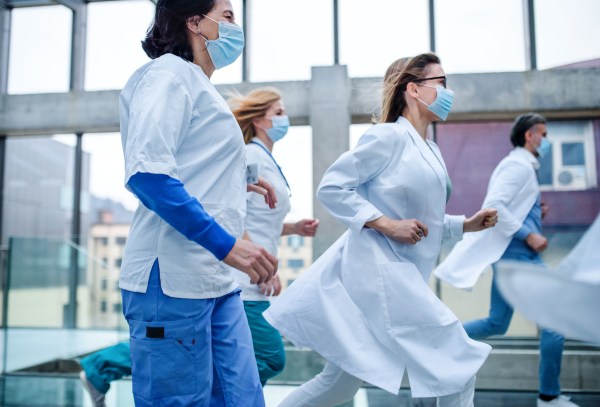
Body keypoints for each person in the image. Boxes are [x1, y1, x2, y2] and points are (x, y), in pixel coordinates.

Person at [264, 53, 498, 407]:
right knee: (458, 367)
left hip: (403, 275)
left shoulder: (431, 149)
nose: (449, 92)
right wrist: (385, 224)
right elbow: (332, 187)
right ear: (414, 90)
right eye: (442, 83)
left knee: (339, 384)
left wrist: (465, 225)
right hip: (379, 274)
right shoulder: (387, 138)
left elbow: (422, 219)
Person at [117, 0, 279, 405]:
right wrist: (227, 244)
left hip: (216, 280)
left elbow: (193, 161)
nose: (235, 25)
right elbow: (149, 176)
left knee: (245, 398)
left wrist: (241, 179)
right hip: (170, 279)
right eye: (226, 15)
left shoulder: (201, 85)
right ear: (194, 22)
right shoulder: (168, 74)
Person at [435, 113, 580, 407]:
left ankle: (436, 342)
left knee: (496, 323)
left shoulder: (522, 165)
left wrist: (534, 213)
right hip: (520, 257)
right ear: (530, 135)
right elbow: (496, 205)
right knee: (554, 323)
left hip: (511, 256)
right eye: (544, 133)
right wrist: (529, 234)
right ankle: (549, 397)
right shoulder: (517, 165)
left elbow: (510, 205)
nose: (547, 140)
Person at [227, 87, 320, 386]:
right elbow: (231, 213)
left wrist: (293, 228)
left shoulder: (264, 157)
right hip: (245, 279)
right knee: (270, 358)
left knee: (254, 361)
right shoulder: (252, 156)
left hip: (257, 279)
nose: (285, 119)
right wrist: (259, 264)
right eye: (278, 113)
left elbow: (258, 218)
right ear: (259, 121)